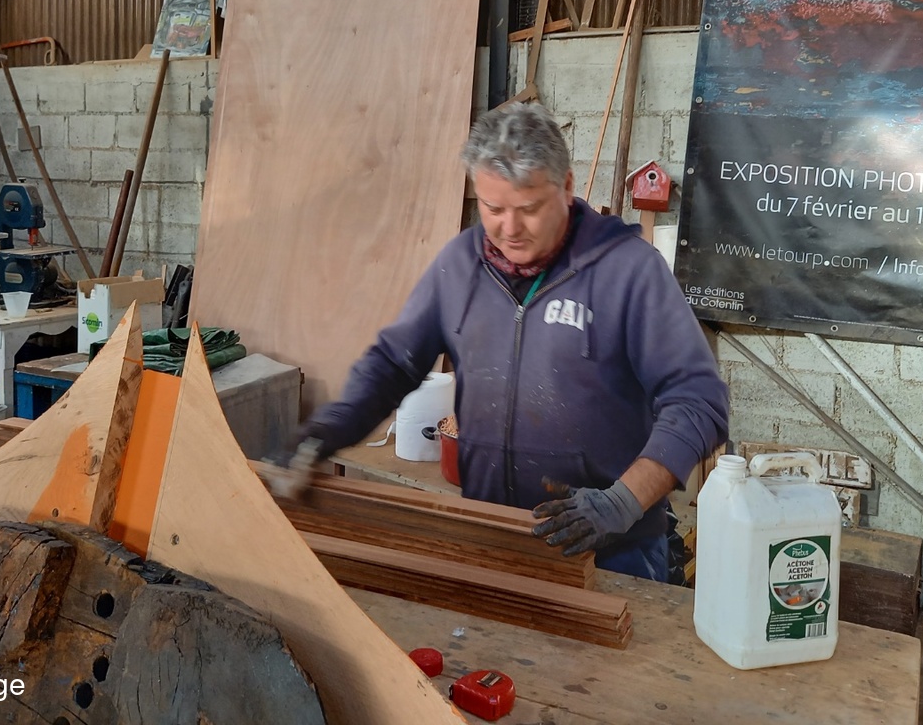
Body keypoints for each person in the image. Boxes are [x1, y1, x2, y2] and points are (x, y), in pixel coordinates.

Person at [284, 103, 728, 581]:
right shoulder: (460, 266)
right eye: (493, 209)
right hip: (492, 535)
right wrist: (328, 429)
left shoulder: (628, 271)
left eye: (529, 208)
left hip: (611, 548)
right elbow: (394, 363)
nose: (509, 229)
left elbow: (699, 402)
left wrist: (620, 503)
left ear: (567, 187)